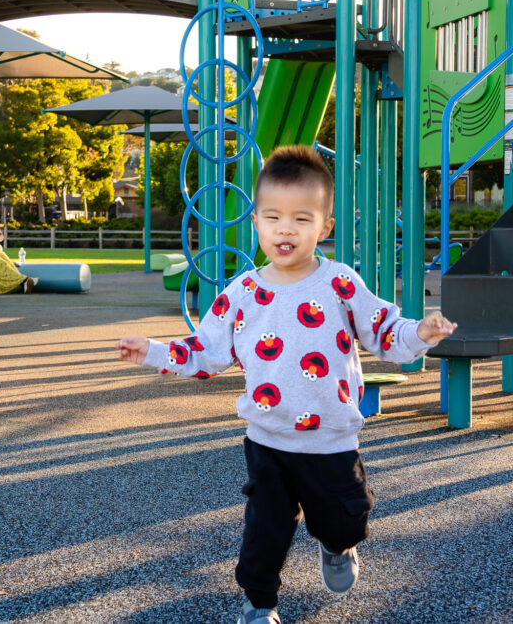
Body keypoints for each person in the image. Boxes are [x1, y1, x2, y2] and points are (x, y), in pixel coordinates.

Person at [117, 146, 456, 624]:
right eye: (273, 217)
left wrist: (419, 332)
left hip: (331, 438)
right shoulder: (242, 295)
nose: (286, 229)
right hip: (268, 438)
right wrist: (152, 350)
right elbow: (206, 351)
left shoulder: (340, 284)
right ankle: (259, 605)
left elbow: (383, 330)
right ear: (256, 221)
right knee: (264, 532)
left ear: (325, 227)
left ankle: (337, 547)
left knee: (344, 519)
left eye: (302, 218)